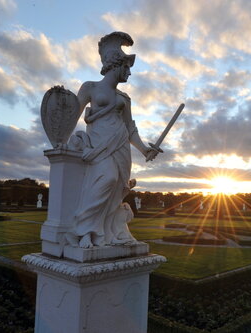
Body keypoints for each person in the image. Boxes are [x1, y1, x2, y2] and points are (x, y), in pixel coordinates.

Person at [67, 32, 159, 248]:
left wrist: (145, 150)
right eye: (126, 68)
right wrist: (61, 139)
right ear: (115, 65)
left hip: (120, 146)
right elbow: (73, 114)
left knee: (118, 188)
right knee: (106, 179)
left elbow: (130, 128)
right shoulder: (90, 87)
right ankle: (85, 231)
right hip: (99, 145)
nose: (128, 73)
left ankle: (105, 233)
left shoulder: (124, 98)